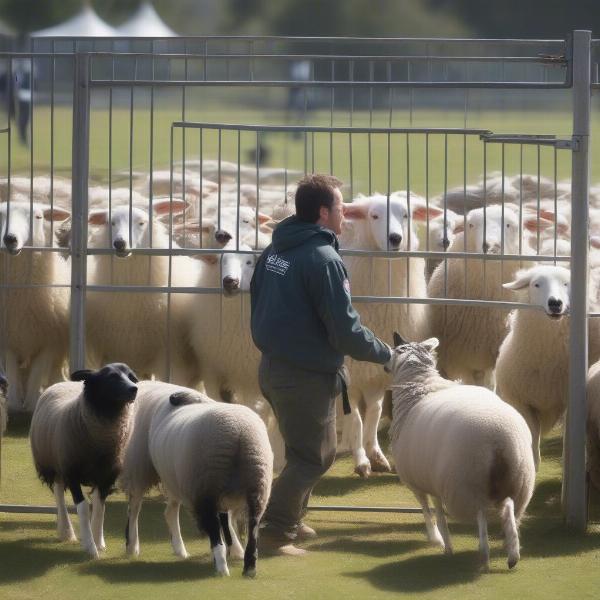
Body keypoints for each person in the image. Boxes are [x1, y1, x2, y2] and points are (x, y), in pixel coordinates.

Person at [250, 173, 392, 556]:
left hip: (274, 366)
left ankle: (290, 518)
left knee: (305, 451)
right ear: (324, 213)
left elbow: (257, 295)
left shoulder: (276, 252)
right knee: (315, 456)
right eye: (341, 208)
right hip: (305, 374)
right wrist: (386, 354)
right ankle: (275, 532)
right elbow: (345, 330)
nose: (346, 216)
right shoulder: (324, 259)